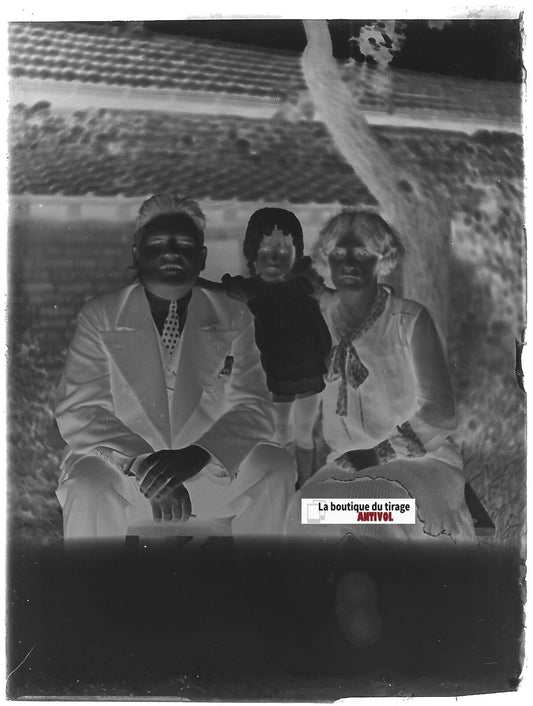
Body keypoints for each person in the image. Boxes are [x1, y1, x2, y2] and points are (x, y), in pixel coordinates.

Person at [55, 194, 294, 542]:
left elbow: (255, 407)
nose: (171, 252)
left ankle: (258, 575)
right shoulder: (100, 315)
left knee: (274, 463)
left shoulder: (234, 316)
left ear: (202, 257)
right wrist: (146, 466)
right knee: (89, 479)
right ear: (136, 254)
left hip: (208, 474)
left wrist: (197, 455)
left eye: (184, 243)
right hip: (129, 476)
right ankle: (92, 578)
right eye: (157, 243)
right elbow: (81, 410)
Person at [285, 209, 477, 545]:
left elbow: (441, 411)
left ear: (381, 260)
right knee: (303, 511)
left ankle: (395, 581)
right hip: (346, 465)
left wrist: (377, 454)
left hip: (423, 462)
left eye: (362, 254)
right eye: (339, 253)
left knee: (376, 505)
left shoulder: (410, 319)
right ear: (327, 260)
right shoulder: (319, 324)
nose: (348, 263)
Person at [199, 207, 332, 487]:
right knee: (279, 432)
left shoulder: (305, 284)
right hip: (274, 373)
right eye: (265, 250)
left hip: (309, 368)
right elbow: (219, 290)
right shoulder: (252, 289)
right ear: (253, 253)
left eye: (282, 251)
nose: (273, 258)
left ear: (294, 255)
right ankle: (279, 482)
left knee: (305, 431)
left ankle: (305, 483)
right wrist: (192, 280)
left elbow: (335, 299)